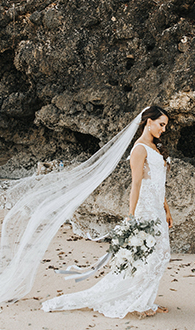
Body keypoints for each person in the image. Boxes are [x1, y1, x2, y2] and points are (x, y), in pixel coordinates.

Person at [42, 106, 173, 318]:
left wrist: (167, 210)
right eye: (161, 124)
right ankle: (141, 302)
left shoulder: (155, 147)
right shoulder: (139, 149)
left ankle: (145, 299)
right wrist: (132, 217)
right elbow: (136, 184)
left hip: (157, 208)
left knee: (159, 254)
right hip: (146, 209)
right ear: (149, 122)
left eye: (165, 125)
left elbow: (160, 183)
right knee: (153, 255)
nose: (164, 129)